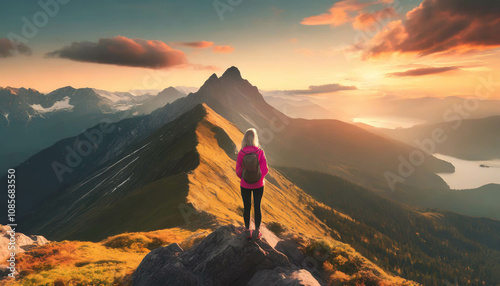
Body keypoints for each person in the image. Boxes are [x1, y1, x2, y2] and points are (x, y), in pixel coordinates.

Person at [235, 128, 268, 240]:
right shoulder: (260, 152)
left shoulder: (241, 153)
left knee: (247, 207)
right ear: (255, 139)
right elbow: (265, 169)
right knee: (257, 206)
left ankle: (247, 231)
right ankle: (257, 231)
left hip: (245, 185)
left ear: (245, 139)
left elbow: (238, 171)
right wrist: (259, 178)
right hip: (259, 185)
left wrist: (244, 178)